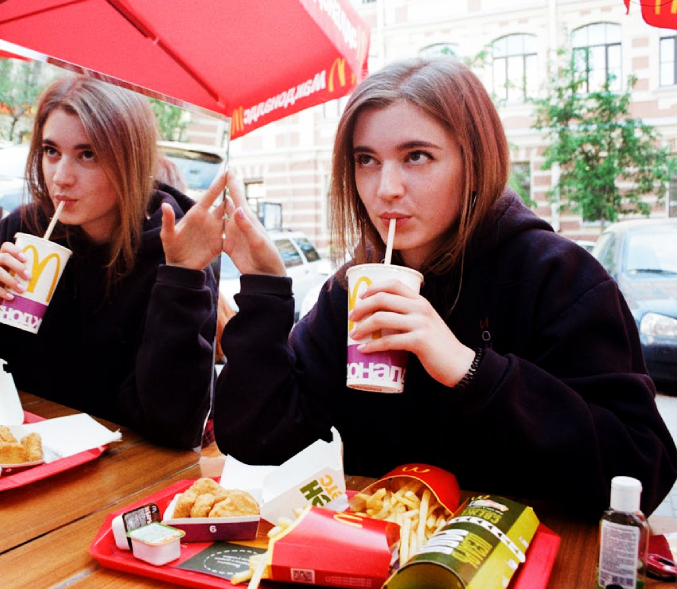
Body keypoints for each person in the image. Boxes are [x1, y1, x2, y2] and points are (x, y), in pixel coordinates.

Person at [212, 56, 677, 517]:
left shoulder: (557, 276)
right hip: (386, 551)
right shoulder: (354, 290)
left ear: (473, 161)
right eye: (366, 160)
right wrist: (265, 291)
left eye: (417, 156)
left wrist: (470, 370)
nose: (386, 188)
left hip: (532, 554)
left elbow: (641, 470)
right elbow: (257, 438)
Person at [0, 75, 222, 450]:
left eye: (88, 154)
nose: (61, 178)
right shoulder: (22, 231)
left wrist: (181, 280)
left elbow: (174, 425)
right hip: (17, 450)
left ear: (130, 160)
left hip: (120, 463)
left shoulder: (175, 252)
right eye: (51, 151)